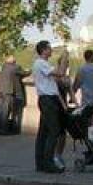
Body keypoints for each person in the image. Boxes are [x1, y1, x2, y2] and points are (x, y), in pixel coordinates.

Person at [33, 40, 66, 172]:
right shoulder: (41, 63)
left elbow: (54, 84)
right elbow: (61, 73)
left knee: (43, 132)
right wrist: (64, 58)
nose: (51, 50)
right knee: (54, 131)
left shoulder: (42, 64)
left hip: (47, 99)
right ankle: (48, 163)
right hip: (47, 100)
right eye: (49, 48)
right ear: (44, 50)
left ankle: (40, 163)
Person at [0, 55, 27, 135]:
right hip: (9, 92)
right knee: (5, 111)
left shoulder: (4, 67)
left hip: (1, 91)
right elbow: (24, 73)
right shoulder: (15, 67)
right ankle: (3, 130)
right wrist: (31, 70)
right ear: (13, 61)